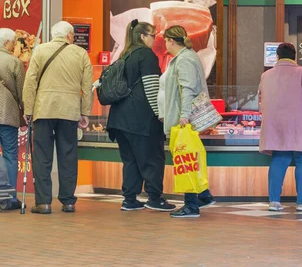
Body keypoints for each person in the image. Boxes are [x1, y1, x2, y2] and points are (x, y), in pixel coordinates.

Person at [22, 21, 93, 214]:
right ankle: (68, 201)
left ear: (54, 35)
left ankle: (44, 202)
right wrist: (85, 112)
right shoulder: (80, 53)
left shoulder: (40, 50)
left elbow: (30, 82)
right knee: (68, 155)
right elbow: (86, 86)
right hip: (69, 111)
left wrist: (28, 109)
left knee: (42, 156)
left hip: (43, 109)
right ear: (70, 35)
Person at [106, 20, 175, 212]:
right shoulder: (146, 55)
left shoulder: (125, 54)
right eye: (153, 36)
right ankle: (154, 197)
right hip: (140, 118)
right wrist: (160, 114)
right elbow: (152, 88)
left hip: (119, 118)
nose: (155, 40)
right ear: (143, 36)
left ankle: (129, 199)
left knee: (130, 160)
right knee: (152, 158)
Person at [258, 43, 302, 212]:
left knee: (279, 159)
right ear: (295, 57)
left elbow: (260, 102)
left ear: (278, 57)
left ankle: (274, 201)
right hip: (300, 126)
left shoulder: (266, 75)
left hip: (275, 126)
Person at [158, 25, 215, 218]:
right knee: (189, 159)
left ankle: (191, 205)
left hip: (183, 120)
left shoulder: (184, 60)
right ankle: (204, 196)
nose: (165, 44)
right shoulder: (187, 57)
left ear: (171, 41)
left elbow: (187, 89)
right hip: (184, 118)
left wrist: (184, 115)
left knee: (186, 160)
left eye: (166, 40)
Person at [0, 28, 25, 210]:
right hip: (7, 115)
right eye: (14, 42)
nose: (15, 45)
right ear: (7, 43)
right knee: (9, 155)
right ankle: (8, 198)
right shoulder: (14, 62)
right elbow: (22, 92)